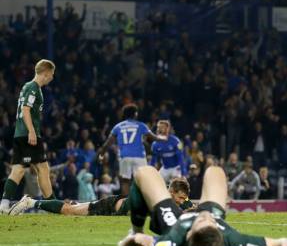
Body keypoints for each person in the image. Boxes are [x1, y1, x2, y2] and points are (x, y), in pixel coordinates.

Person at [117, 166, 287, 246]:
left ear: (189, 235)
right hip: (212, 220)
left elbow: (143, 243)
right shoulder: (233, 240)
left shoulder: (173, 241)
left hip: (172, 221)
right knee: (215, 171)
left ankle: (135, 225)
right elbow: (275, 243)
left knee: (144, 172)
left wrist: (135, 238)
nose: (205, 216)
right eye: (211, 222)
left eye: (201, 221)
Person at [1, 60, 56, 214]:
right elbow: (26, 110)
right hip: (28, 135)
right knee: (43, 168)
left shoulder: (28, 86)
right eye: (51, 74)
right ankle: (53, 205)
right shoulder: (33, 87)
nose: (52, 77)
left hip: (20, 134)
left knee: (18, 170)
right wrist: (32, 131)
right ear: (46, 73)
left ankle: (4, 204)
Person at [9, 177, 193, 216]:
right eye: (180, 197)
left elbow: (187, 206)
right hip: (108, 206)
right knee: (68, 211)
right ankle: (31, 201)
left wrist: (189, 205)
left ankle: (33, 202)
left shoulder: (170, 200)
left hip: (113, 207)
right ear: (171, 192)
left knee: (71, 207)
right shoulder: (158, 195)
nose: (181, 201)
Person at [99, 104, 167, 195]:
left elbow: (107, 144)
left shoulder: (118, 126)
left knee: (125, 181)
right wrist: (164, 138)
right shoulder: (141, 125)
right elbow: (154, 137)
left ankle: (126, 205)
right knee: (142, 181)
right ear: (135, 114)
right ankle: (141, 202)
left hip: (125, 156)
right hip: (139, 156)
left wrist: (101, 155)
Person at [150, 120, 185, 184]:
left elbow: (180, 158)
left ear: (167, 129)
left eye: (162, 127)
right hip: (165, 169)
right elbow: (153, 160)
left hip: (175, 169)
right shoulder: (155, 144)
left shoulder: (176, 141)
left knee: (176, 185)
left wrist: (183, 173)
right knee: (156, 183)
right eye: (158, 127)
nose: (159, 129)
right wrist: (150, 173)